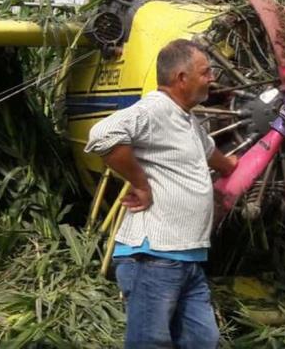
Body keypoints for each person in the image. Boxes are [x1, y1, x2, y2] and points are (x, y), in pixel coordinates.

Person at [85, 39, 238, 348]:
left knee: (202, 340)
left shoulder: (187, 120)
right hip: (153, 258)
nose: (212, 79)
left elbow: (215, 157)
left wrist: (261, 145)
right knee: (150, 343)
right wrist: (140, 183)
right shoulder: (155, 109)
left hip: (187, 258)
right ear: (181, 78)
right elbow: (101, 136)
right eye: (206, 72)